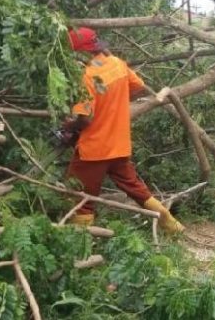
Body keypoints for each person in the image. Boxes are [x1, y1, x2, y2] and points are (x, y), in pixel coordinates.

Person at [62, 27, 185, 234]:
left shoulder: (86, 76)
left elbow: (86, 119)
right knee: (137, 190)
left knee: (79, 197)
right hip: (119, 145)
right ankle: (172, 226)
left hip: (94, 150)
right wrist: (113, 103)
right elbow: (137, 86)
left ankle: (77, 245)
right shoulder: (118, 64)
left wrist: (69, 126)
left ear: (81, 52)